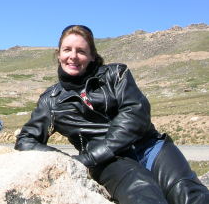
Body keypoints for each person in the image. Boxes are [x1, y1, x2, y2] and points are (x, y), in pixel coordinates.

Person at [15, 25, 209, 204]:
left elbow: (136, 114)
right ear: (58, 55)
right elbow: (26, 140)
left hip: (150, 147)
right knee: (145, 196)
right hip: (109, 164)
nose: (73, 56)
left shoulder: (116, 74)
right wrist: (68, 160)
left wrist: (94, 155)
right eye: (67, 50)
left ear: (92, 56)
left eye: (81, 51)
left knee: (190, 195)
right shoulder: (51, 100)